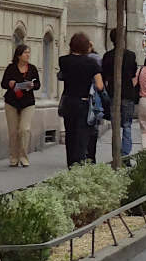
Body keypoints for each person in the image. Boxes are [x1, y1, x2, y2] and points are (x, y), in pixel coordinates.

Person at [58, 32, 105, 168]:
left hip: (68, 102)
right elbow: (100, 85)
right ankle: (78, 165)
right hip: (84, 103)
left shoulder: (63, 61)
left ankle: (70, 164)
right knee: (82, 137)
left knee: (70, 135)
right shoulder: (91, 63)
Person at [1, 43, 40, 167]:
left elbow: (38, 84)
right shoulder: (11, 68)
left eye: (29, 52)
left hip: (27, 102)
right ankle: (13, 157)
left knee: (24, 129)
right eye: (25, 52)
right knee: (13, 131)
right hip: (12, 101)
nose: (28, 55)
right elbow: (3, 84)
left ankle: (23, 157)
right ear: (19, 55)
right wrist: (10, 84)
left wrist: (33, 85)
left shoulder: (32, 68)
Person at [101, 29, 138, 160]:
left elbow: (103, 75)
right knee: (127, 125)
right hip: (127, 93)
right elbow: (133, 73)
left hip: (113, 93)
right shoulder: (131, 55)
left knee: (115, 126)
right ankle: (125, 154)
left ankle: (116, 153)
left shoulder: (107, 56)